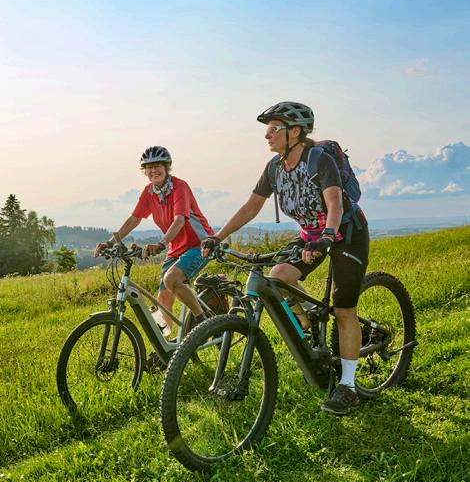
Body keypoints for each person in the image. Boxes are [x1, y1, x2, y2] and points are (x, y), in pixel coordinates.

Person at [201, 102, 369, 416]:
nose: (267, 135)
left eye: (273, 129)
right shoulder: (274, 168)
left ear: (294, 132)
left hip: (345, 232)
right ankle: (310, 320)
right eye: (267, 130)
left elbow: (334, 204)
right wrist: (217, 236)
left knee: (344, 308)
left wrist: (327, 237)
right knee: (277, 276)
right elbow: (251, 207)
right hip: (310, 234)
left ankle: (347, 387)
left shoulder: (319, 160)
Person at [95, 146, 214, 331]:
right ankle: (167, 345)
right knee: (163, 299)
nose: (153, 170)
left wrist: (161, 244)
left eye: (157, 165)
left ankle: (204, 324)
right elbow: (134, 219)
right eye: (149, 167)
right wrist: (110, 242)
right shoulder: (149, 192)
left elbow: (179, 220)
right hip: (176, 248)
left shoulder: (179, 187)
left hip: (200, 244)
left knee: (171, 279)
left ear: (166, 167)